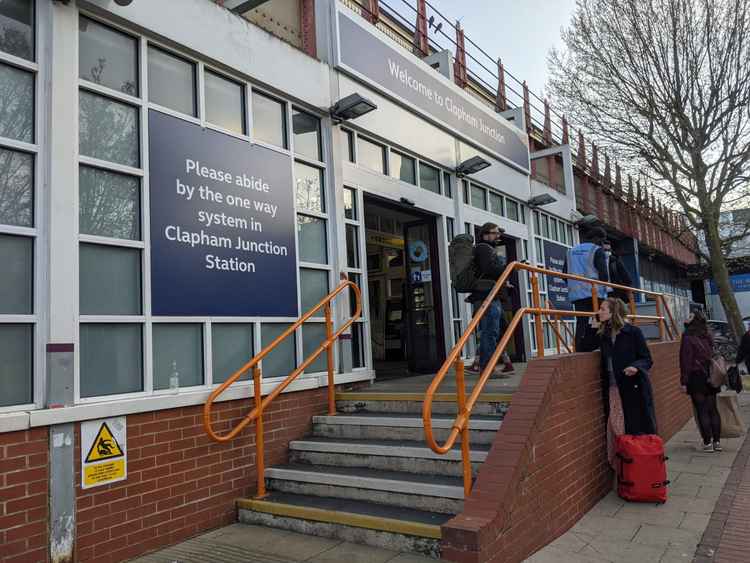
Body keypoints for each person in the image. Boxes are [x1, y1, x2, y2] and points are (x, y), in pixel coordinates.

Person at [581, 297, 656, 467]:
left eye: (602, 309)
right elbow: (583, 348)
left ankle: (639, 468)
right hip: (613, 388)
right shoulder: (603, 334)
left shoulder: (633, 332)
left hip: (632, 388)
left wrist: (635, 367)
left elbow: (647, 359)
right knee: (617, 427)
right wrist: (591, 327)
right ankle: (623, 467)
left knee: (634, 427)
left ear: (613, 312)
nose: (599, 312)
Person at [466, 222, 513, 377]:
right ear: (485, 234)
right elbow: (489, 269)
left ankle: (488, 364)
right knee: (490, 332)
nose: (498, 236)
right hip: (487, 296)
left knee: (500, 329)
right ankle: (486, 369)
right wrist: (508, 267)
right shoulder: (483, 248)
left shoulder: (486, 249)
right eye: (495, 233)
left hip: (492, 295)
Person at [680, 310, 722, 452]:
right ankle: (717, 443)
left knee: (701, 410)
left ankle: (707, 443)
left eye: (690, 316)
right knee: (713, 409)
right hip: (710, 375)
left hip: (696, 376)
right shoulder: (707, 335)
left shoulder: (687, 337)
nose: (687, 317)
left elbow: (685, 361)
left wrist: (684, 382)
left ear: (695, 319)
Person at [565, 226, 611, 351]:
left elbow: (564, 273)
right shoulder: (597, 250)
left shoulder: (570, 251)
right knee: (599, 321)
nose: (602, 243)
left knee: (581, 322)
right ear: (596, 238)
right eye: (602, 240)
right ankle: (600, 349)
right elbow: (604, 275)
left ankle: (579, 350)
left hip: (577, 294)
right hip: (595, 293)